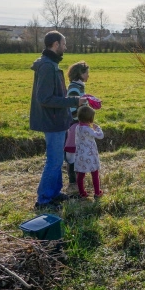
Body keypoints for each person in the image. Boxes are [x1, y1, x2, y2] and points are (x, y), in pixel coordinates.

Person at [30, 30, 85, 210]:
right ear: (55, 45)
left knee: (56, 160)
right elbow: (44, 98)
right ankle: (44, 200)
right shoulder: (47, 66)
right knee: (53, 161)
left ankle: (54, 193)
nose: (65, 46)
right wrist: (74, 101)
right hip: (52, 121)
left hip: (57, 120)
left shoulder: (50, 64)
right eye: (64, 43)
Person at [64, 61, 90, 193]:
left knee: (77, 151)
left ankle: (77, 178)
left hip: (78, 124)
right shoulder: (74, 88)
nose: (88, 75)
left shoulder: (79, 87)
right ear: (80, 73)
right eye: (87, 73)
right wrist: (80, 120)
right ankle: (73, 180)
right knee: (72, 153)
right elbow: (73, 110)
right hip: (74, 125)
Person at [74, 105, 104, 198]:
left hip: (80, 155)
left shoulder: (77, 128)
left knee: (81, 174)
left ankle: (82, 193)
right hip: (90, 155)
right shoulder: (88, 129)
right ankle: (97, 192)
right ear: (90, 119)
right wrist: (97, 128)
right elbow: (100, 136)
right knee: (95, 173)